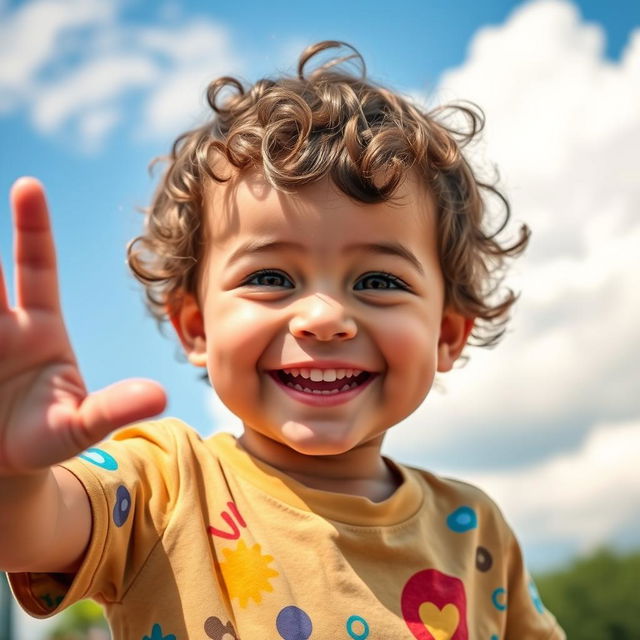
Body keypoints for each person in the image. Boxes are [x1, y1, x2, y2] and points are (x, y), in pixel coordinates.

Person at [0, 41, 565, 639]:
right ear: (196, 325)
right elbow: (29, 530)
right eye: (270, 278)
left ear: (447, 334)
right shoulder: (162, 485)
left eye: (378, 280)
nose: (323, 317)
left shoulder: (476, 531)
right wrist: (13, 477)